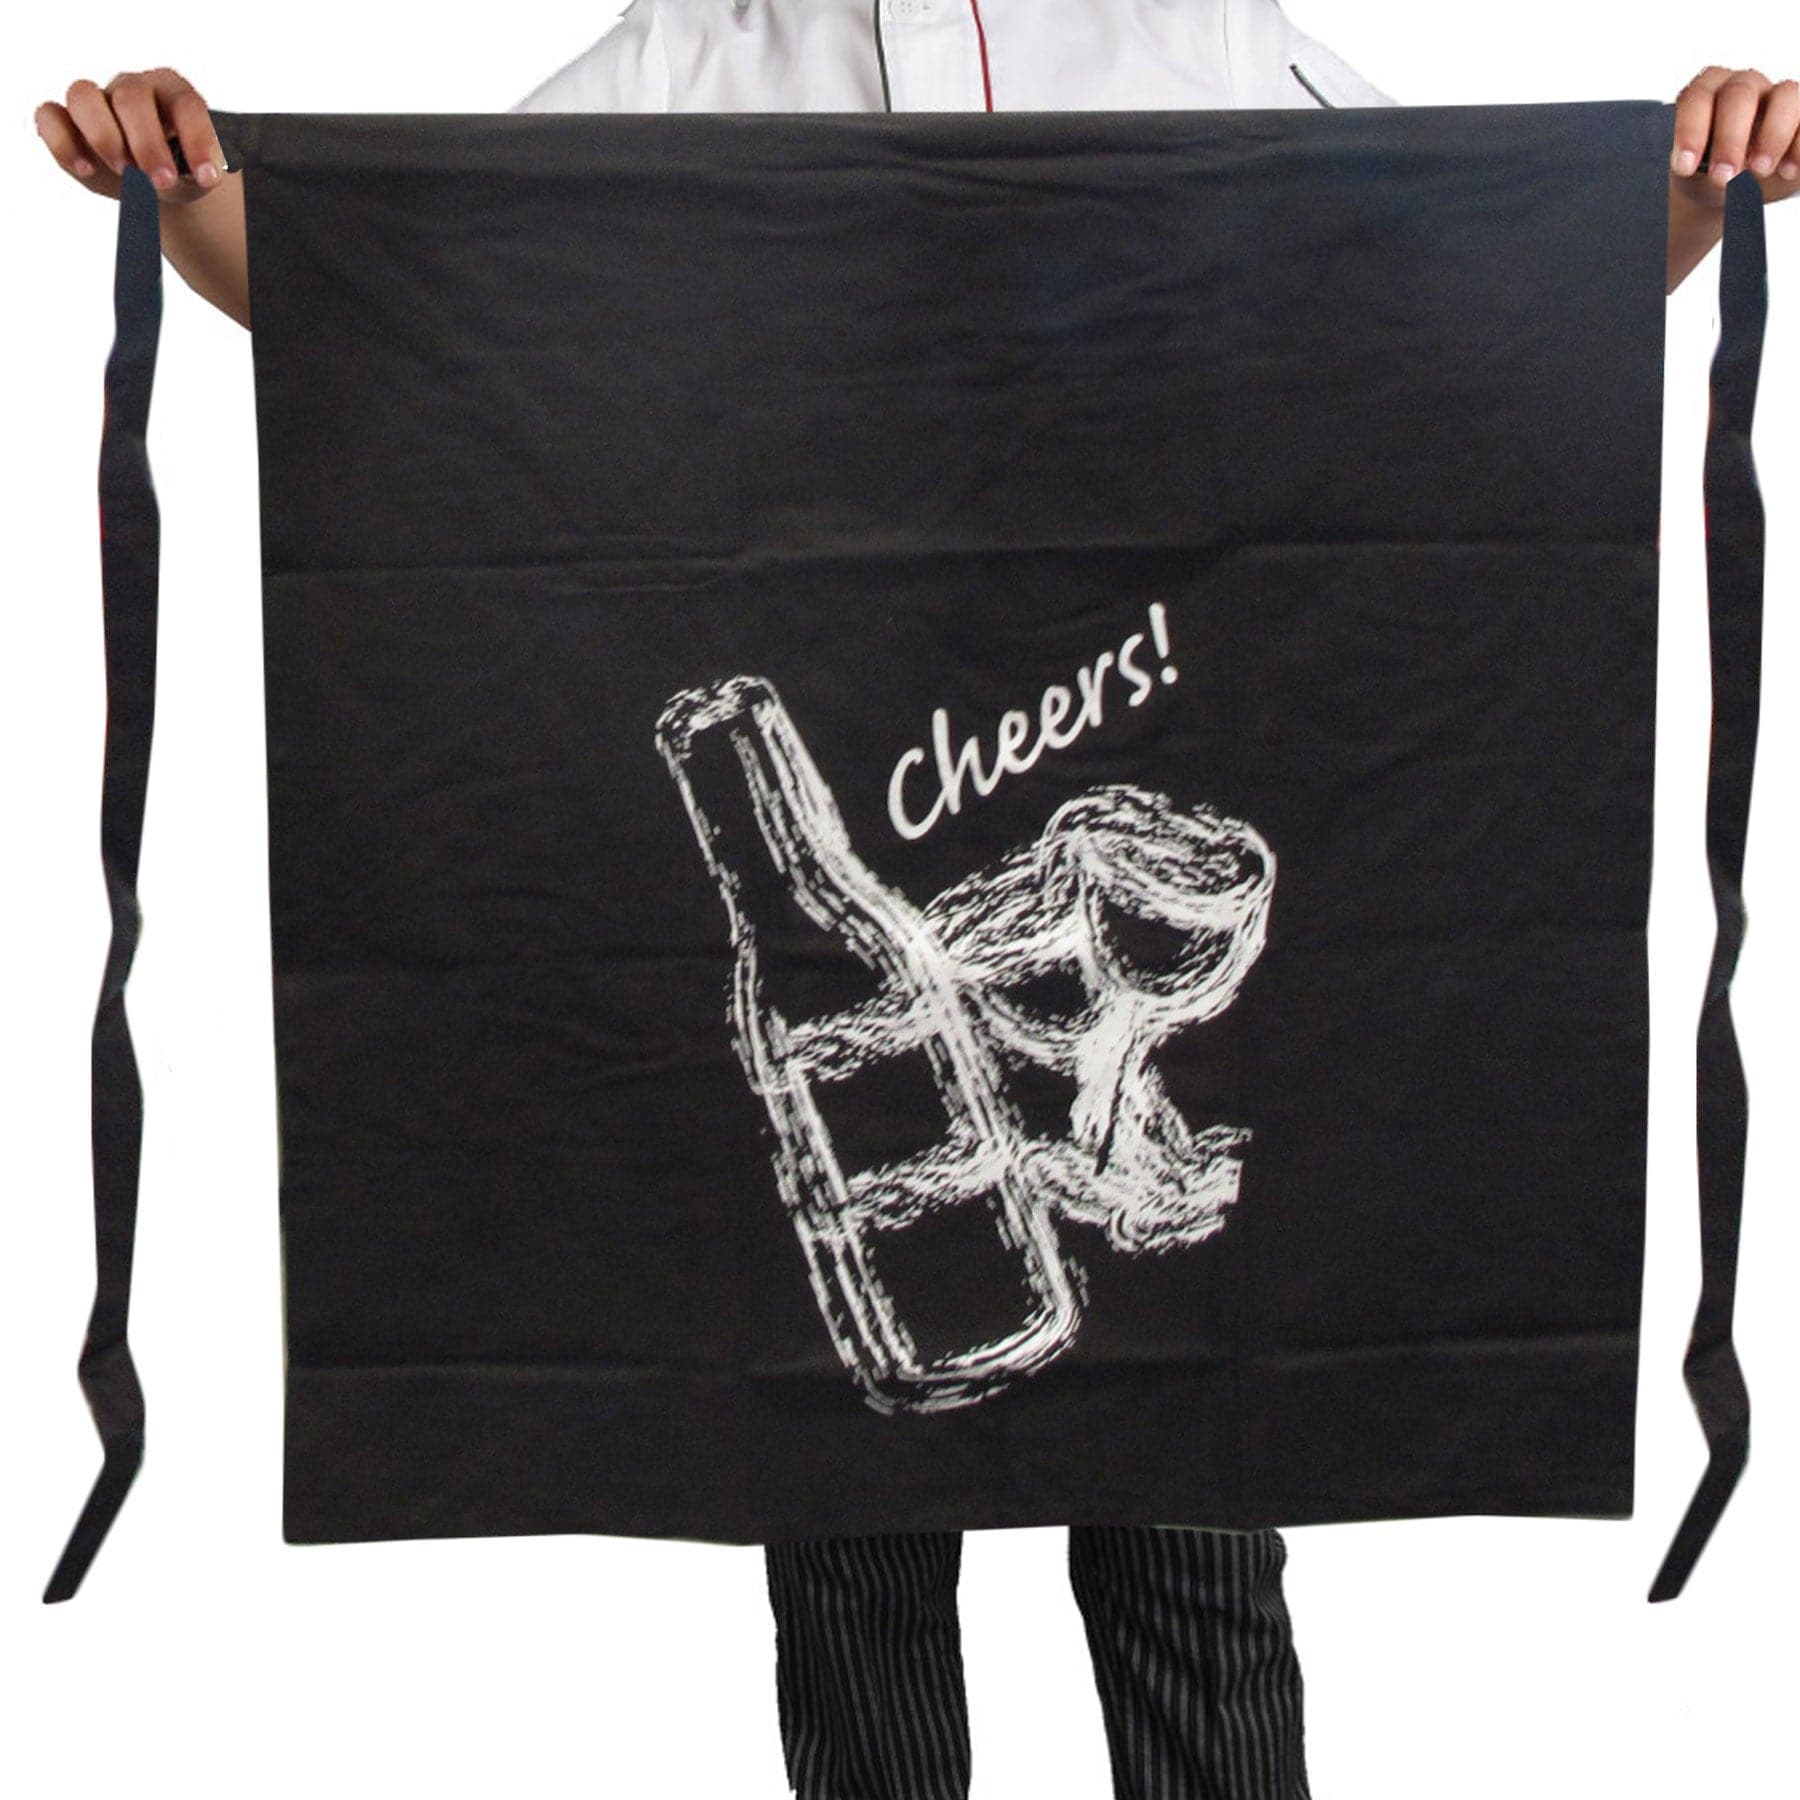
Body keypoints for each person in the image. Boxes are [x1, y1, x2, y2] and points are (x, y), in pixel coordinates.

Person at [32, 6, 1799, 1797]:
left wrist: (1700, 183)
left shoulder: (1201, 41)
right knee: (849, 1537)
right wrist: (188, 183)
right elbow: (403, 287)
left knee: (1194, 1522)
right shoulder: (699, 61)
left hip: (1114, 789)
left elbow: (1495, 290)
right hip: (841, 783)